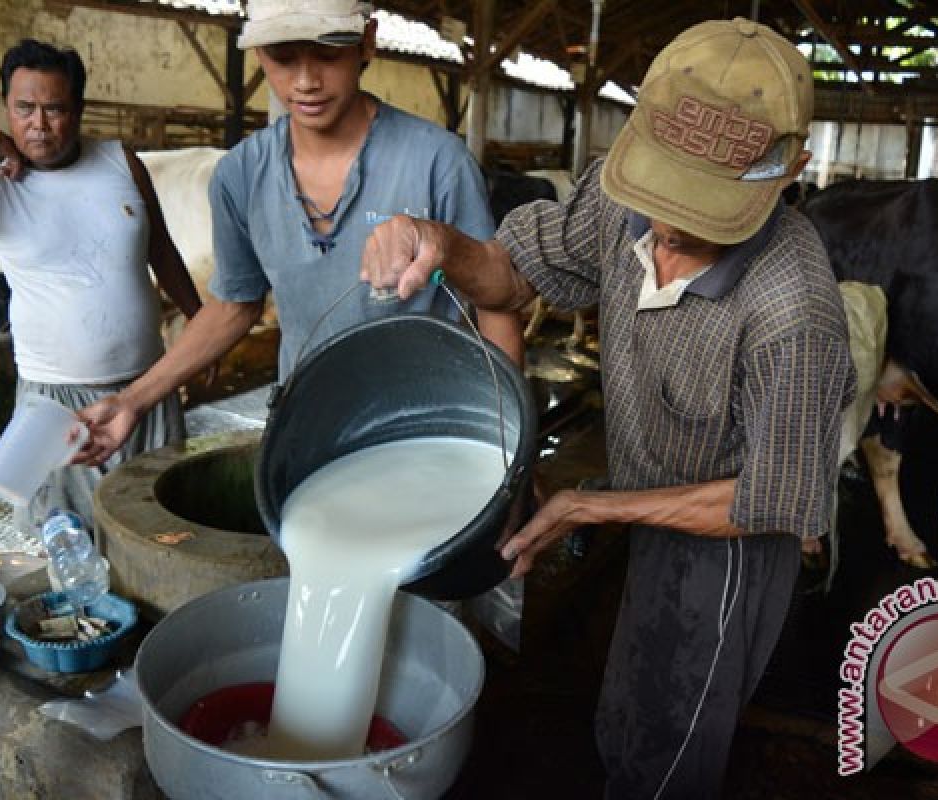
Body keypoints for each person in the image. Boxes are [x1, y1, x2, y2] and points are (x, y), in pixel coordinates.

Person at [361, 18, 856, 798]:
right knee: (625, 706)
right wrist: (434, 241)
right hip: (644, 506)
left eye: (704, 204)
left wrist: (592, 509)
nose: (669, 222)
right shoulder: (620, 197)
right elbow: (508, 275)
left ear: (791, 169)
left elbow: (773, 501)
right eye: (662, 186)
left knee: (673, 743)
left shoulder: (794, 312)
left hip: (727, 553)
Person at [73, 0, 522, 466]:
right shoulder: (241, 175)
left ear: (367, 41)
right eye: (282, 57)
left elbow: (494, 304)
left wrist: (508, 449)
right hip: (308, 425)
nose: (305, 81)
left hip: (429, 429)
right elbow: (235, 304)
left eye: (328, 52)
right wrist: (132, 401)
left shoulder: (437, 162)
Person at [0, 38, 202, 533]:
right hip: (55, 403)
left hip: (145, 389)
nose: (39, 124)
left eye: (55, 109)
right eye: (24, 109)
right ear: (7, 112)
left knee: (157, 530)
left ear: (79, 110)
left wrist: (198, 319)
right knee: (64, 540)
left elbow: (160, 249)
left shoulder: (120, 163)